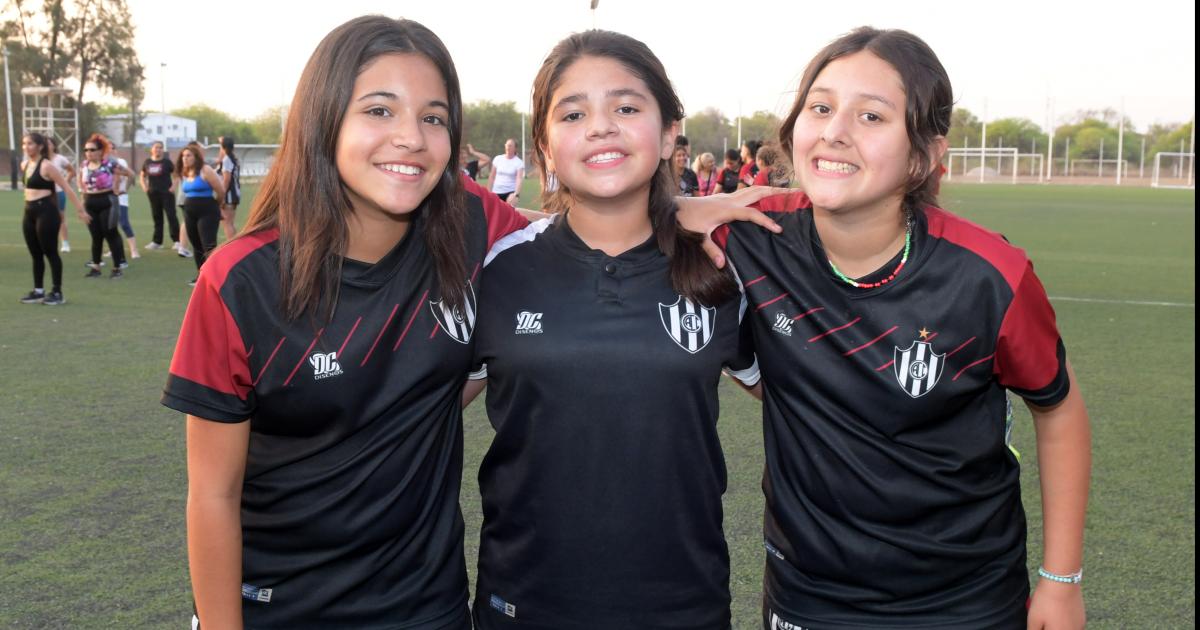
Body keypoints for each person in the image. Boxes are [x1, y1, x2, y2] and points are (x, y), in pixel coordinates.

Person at [160, 16, 534, 628]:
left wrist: (681, 207)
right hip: (283, 608)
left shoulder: (470, 224)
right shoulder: (239, 282)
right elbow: (213, 497)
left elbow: (577, 236)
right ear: (324, 118)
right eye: (380, 111)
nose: (411, 137)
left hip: (427, 608)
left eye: (434, 117)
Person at [715, 27, 1091, 629]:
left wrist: (1061, 580)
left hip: (965, 597)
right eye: (820, 106)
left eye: (871, 115)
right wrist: (682, 210)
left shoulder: (990, 277)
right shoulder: (749, 239)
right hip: (810, 595)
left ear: (924, 155)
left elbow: (1059, 408)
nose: (836, 129)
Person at [465, 30, 760, 630]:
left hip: (684, 606)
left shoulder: (722, 264)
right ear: (544, 146)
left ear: (670, 132)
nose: (601, 127)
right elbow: (420, 408)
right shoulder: (500, 266)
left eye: (626, 107)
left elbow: (804, 398)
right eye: (574, 113)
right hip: (524, 604)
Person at [19, 133, 88, 305]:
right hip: (29, 212)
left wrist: (81, 210)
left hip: (46, 212)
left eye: (30, 144)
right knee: (35, 254)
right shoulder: (25, 164)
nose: (26, 147)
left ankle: (57, 292)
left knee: (50, 252)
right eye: (24, 144)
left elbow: (66, 188)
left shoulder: (47, 166)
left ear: (40, 146)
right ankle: (38, 291)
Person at [79, 134, 136, 279]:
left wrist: (123, 190)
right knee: (96, 235)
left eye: (92, 150)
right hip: (90, 201)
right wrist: (82, 203)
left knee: (110, 233)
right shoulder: (84, 165)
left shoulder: (109, 164)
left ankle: (117, 267)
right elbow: (81, 182)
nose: (88, 153)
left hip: (108, 201)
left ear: (100, 151)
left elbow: (131, 174)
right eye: (86, 150)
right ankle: (96, 267)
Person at [175, 144, 225, 285]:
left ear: (196, 157)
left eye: (188, 155)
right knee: (196, 245)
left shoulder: (205, 170)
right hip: (190, 211)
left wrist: (216, 206)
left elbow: (220, 191)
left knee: (208, 245)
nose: (185, 158)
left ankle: (214, 278)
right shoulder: (185, 172)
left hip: (207, 211)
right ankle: (201, 277)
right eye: (183, 156)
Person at [141, 141, 181, 251]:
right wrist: (144, 186)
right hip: (153, 194)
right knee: (157, 217)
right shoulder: (147, 162)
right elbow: (142, 175)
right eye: (156, 147)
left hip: (166, 194)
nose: (158, 149)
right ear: (152, 149)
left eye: (160, 148)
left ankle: (177, 241)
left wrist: (173, 187)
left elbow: (176, 175)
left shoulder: (167, 162)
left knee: (171, 216)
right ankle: (157, 242)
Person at [47, 137, 76, 253]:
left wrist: (65, 182)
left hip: (58, 192)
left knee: (60, 217)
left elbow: (72, 171)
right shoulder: (40, 159)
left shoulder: (60, 159)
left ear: (54, 145)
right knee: (44, 219)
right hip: (44, 193)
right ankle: (47, 242)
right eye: (44, 144)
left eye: (49, 144)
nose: (47, 146)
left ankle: (65, 243)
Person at [110, 154, 140, 264]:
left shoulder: (120, 162)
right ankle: (112, 249)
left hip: (121, 196)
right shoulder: (102, 164)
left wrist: (125, 189)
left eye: (112, 148)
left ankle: (134, 249)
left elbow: (131, 175)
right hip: (108, 196)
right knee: (110, 225)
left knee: (124, 223)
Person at [216, 136, 241, 241]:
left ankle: (232, 246)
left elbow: (226, 179)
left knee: (227, 223)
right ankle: (235, 244)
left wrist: (221, 196)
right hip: (234, 193)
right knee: (230, 223)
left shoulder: (226, 160)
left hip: (229, 195)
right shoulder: (233, 158)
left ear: (223, 147)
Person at [489, 137, 524, 203]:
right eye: (507, 145)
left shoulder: (519, 162)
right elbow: (492, 176)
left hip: (510, 192)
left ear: (515, 148)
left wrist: (516, 194)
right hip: (496, 191)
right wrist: (488, 191)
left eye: (510, 146)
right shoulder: (498, 159)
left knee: (509, 207)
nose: (508, 147)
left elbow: (519, 179)